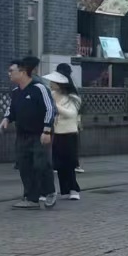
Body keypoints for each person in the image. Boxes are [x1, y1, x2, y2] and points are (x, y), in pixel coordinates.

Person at [0, 55, 57, 210]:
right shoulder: (16, 91)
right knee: (24, 166)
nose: (9, 73)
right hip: (22, 135)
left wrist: (47, 130)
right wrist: (6, 119)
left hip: (40, 134)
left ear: (22, 72)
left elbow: (50, 109)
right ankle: (31, 198)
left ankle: (50, 192)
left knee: (41, 165)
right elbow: (12, 109)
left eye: (12, 70)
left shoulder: (39, 88)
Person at [45, 70, 82, 200]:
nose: (50, 84)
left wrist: (55, 106)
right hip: (57, 133)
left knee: (70, 163)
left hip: (69, 133)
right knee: (59, 164)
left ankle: (74, 189)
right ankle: (64, 189)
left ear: (59, 84)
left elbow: (71, 113)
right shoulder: (52, 94)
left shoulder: (73, 98)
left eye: (53, 82)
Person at [56, 63, 85, 175]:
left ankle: (60, 164)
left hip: (62, 119)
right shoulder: (72, 85)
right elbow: (78, 106)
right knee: (72, 145)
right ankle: (74, 164)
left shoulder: (60, 85)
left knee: (59, 144)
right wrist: (79, 121)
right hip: (72, 120)